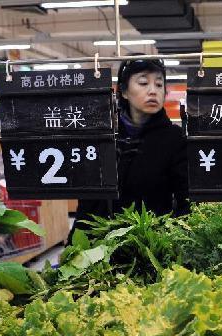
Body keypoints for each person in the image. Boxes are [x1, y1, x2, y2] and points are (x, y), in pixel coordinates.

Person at [71, 57, 189, 237]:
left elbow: (185, 200)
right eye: (143, 82)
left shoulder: (175, 139)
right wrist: (76, 241)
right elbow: (89, 198)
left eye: (159, 84)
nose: (153, 91)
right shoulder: (104, 137)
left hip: (153, 246)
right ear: (124, 91)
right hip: (101, 246)